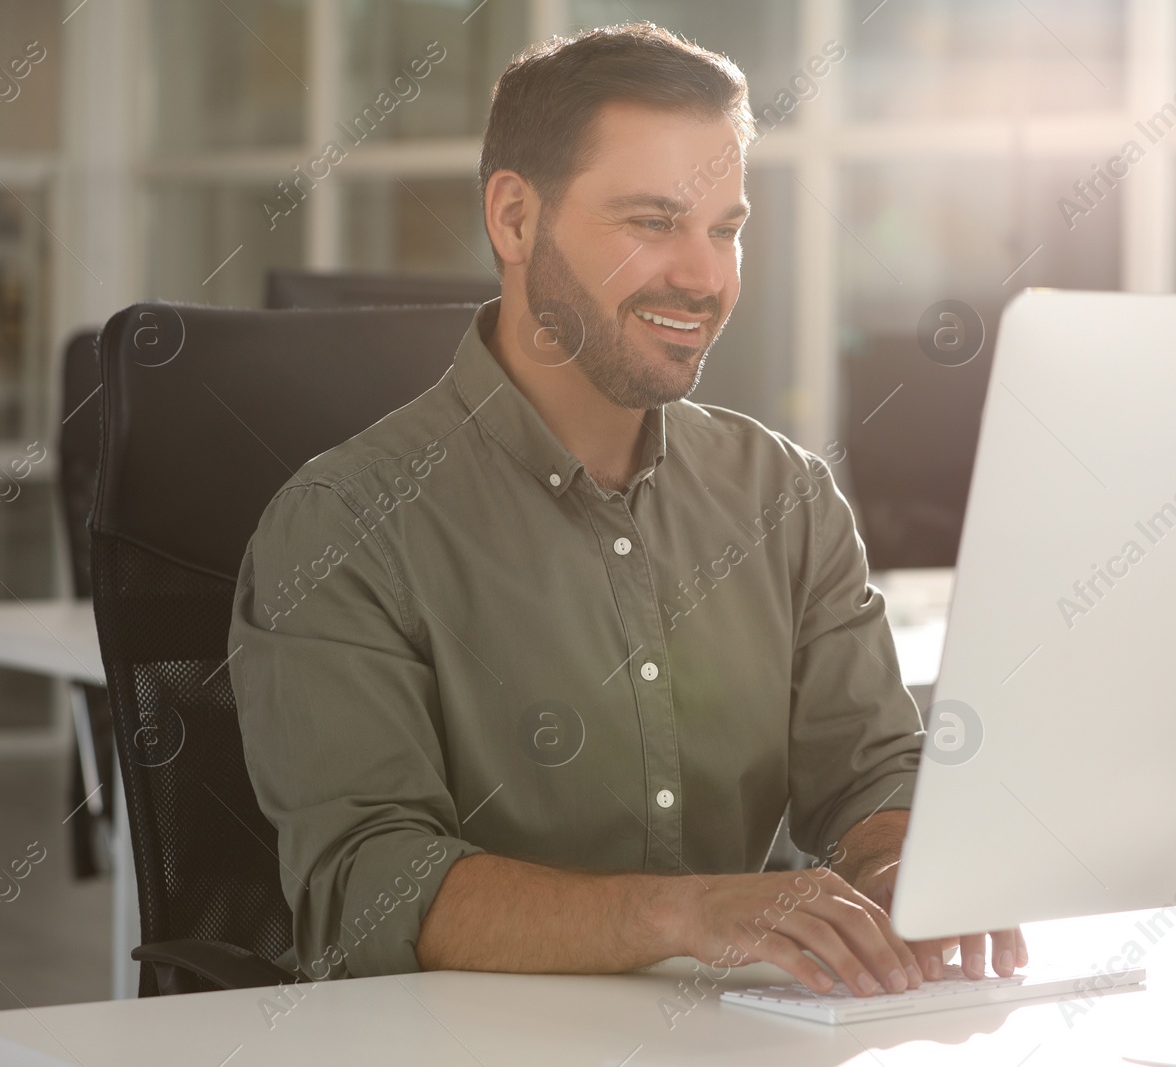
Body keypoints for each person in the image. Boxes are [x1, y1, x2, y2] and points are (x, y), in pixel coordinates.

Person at [229, 22, 1023, 998]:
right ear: (516, 220)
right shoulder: (342, 522)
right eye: (651, 221)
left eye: (724, 229)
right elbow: (367, 890)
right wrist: (683, 912)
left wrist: (901, 866)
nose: (702, 276)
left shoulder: (784, 494)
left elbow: (868, 774)